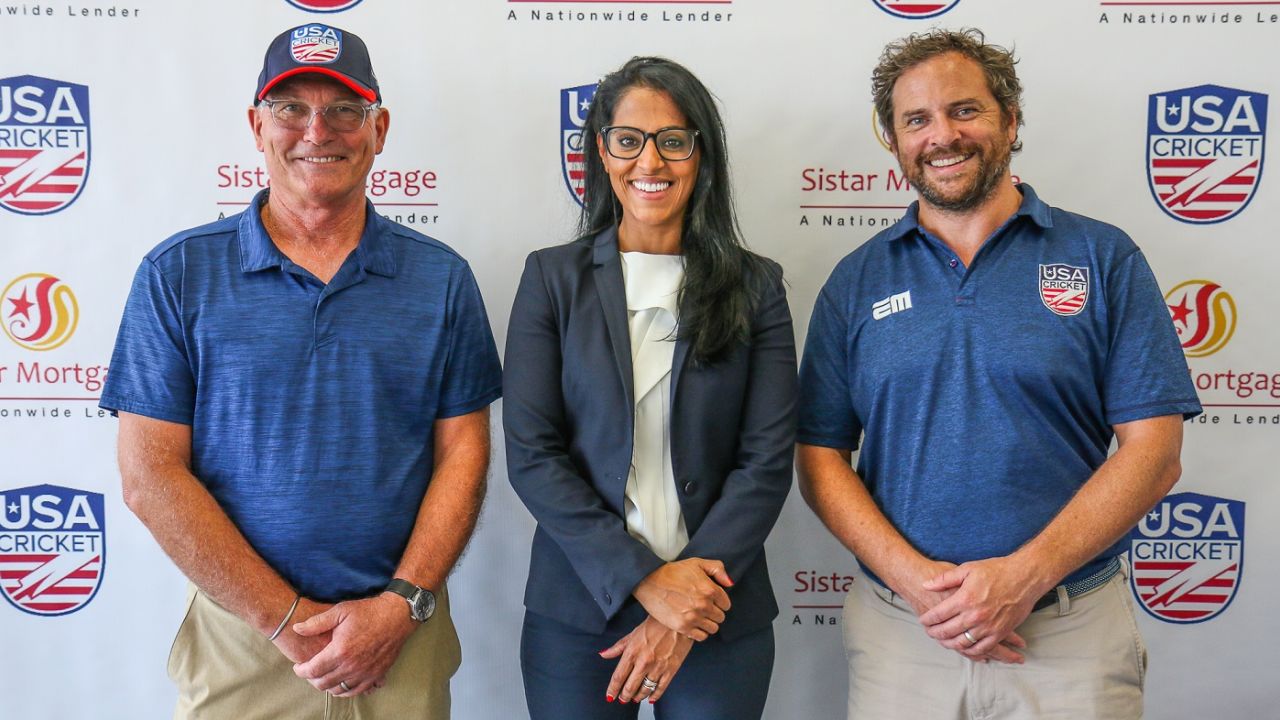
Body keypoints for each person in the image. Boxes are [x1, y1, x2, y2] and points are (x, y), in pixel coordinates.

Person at [796, 28, 1202, 720]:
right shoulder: (855, 280)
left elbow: (1154, 452)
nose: (942, 136)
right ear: (893, 142)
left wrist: (1025, 575)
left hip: (1067, 633)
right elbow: (819, 456)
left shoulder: (1103, 258)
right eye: (915, 120)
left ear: (1010, 120)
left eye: (965, 110)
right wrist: (918, 583)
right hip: (904, 637)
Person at [99, 23, 501, 719]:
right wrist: (281, 620)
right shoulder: (178, 274)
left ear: (380, 128)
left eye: (345, 109)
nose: (319, 130)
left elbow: (463, 452)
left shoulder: (441, 279)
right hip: (241, 645)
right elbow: (150, 475)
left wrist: (401, 604)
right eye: (292, 108)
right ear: (257, 126)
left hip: (399, 640)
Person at [503, 56, 797, 719]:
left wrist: (683, 604)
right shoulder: (553, 280)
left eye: (674, 140)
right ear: (602, 154)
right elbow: (532, 452)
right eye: (629, 140)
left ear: (702, 154)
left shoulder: (757, 287)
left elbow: (766, 462)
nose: (651, 161)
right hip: (578, 610)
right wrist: (645, 581)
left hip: (719, 609)